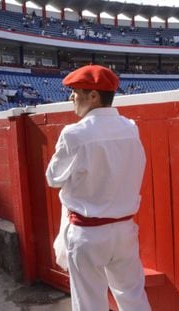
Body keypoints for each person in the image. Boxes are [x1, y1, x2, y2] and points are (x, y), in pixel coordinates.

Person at [45, 64, 151, 311]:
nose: (71, 97)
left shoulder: (74, 134)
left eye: (75, 91)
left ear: (93, 95)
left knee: (89, 303)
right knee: (132, 296)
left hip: (88, 234)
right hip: (124, 229)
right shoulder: (130, 128)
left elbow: (53, 178)